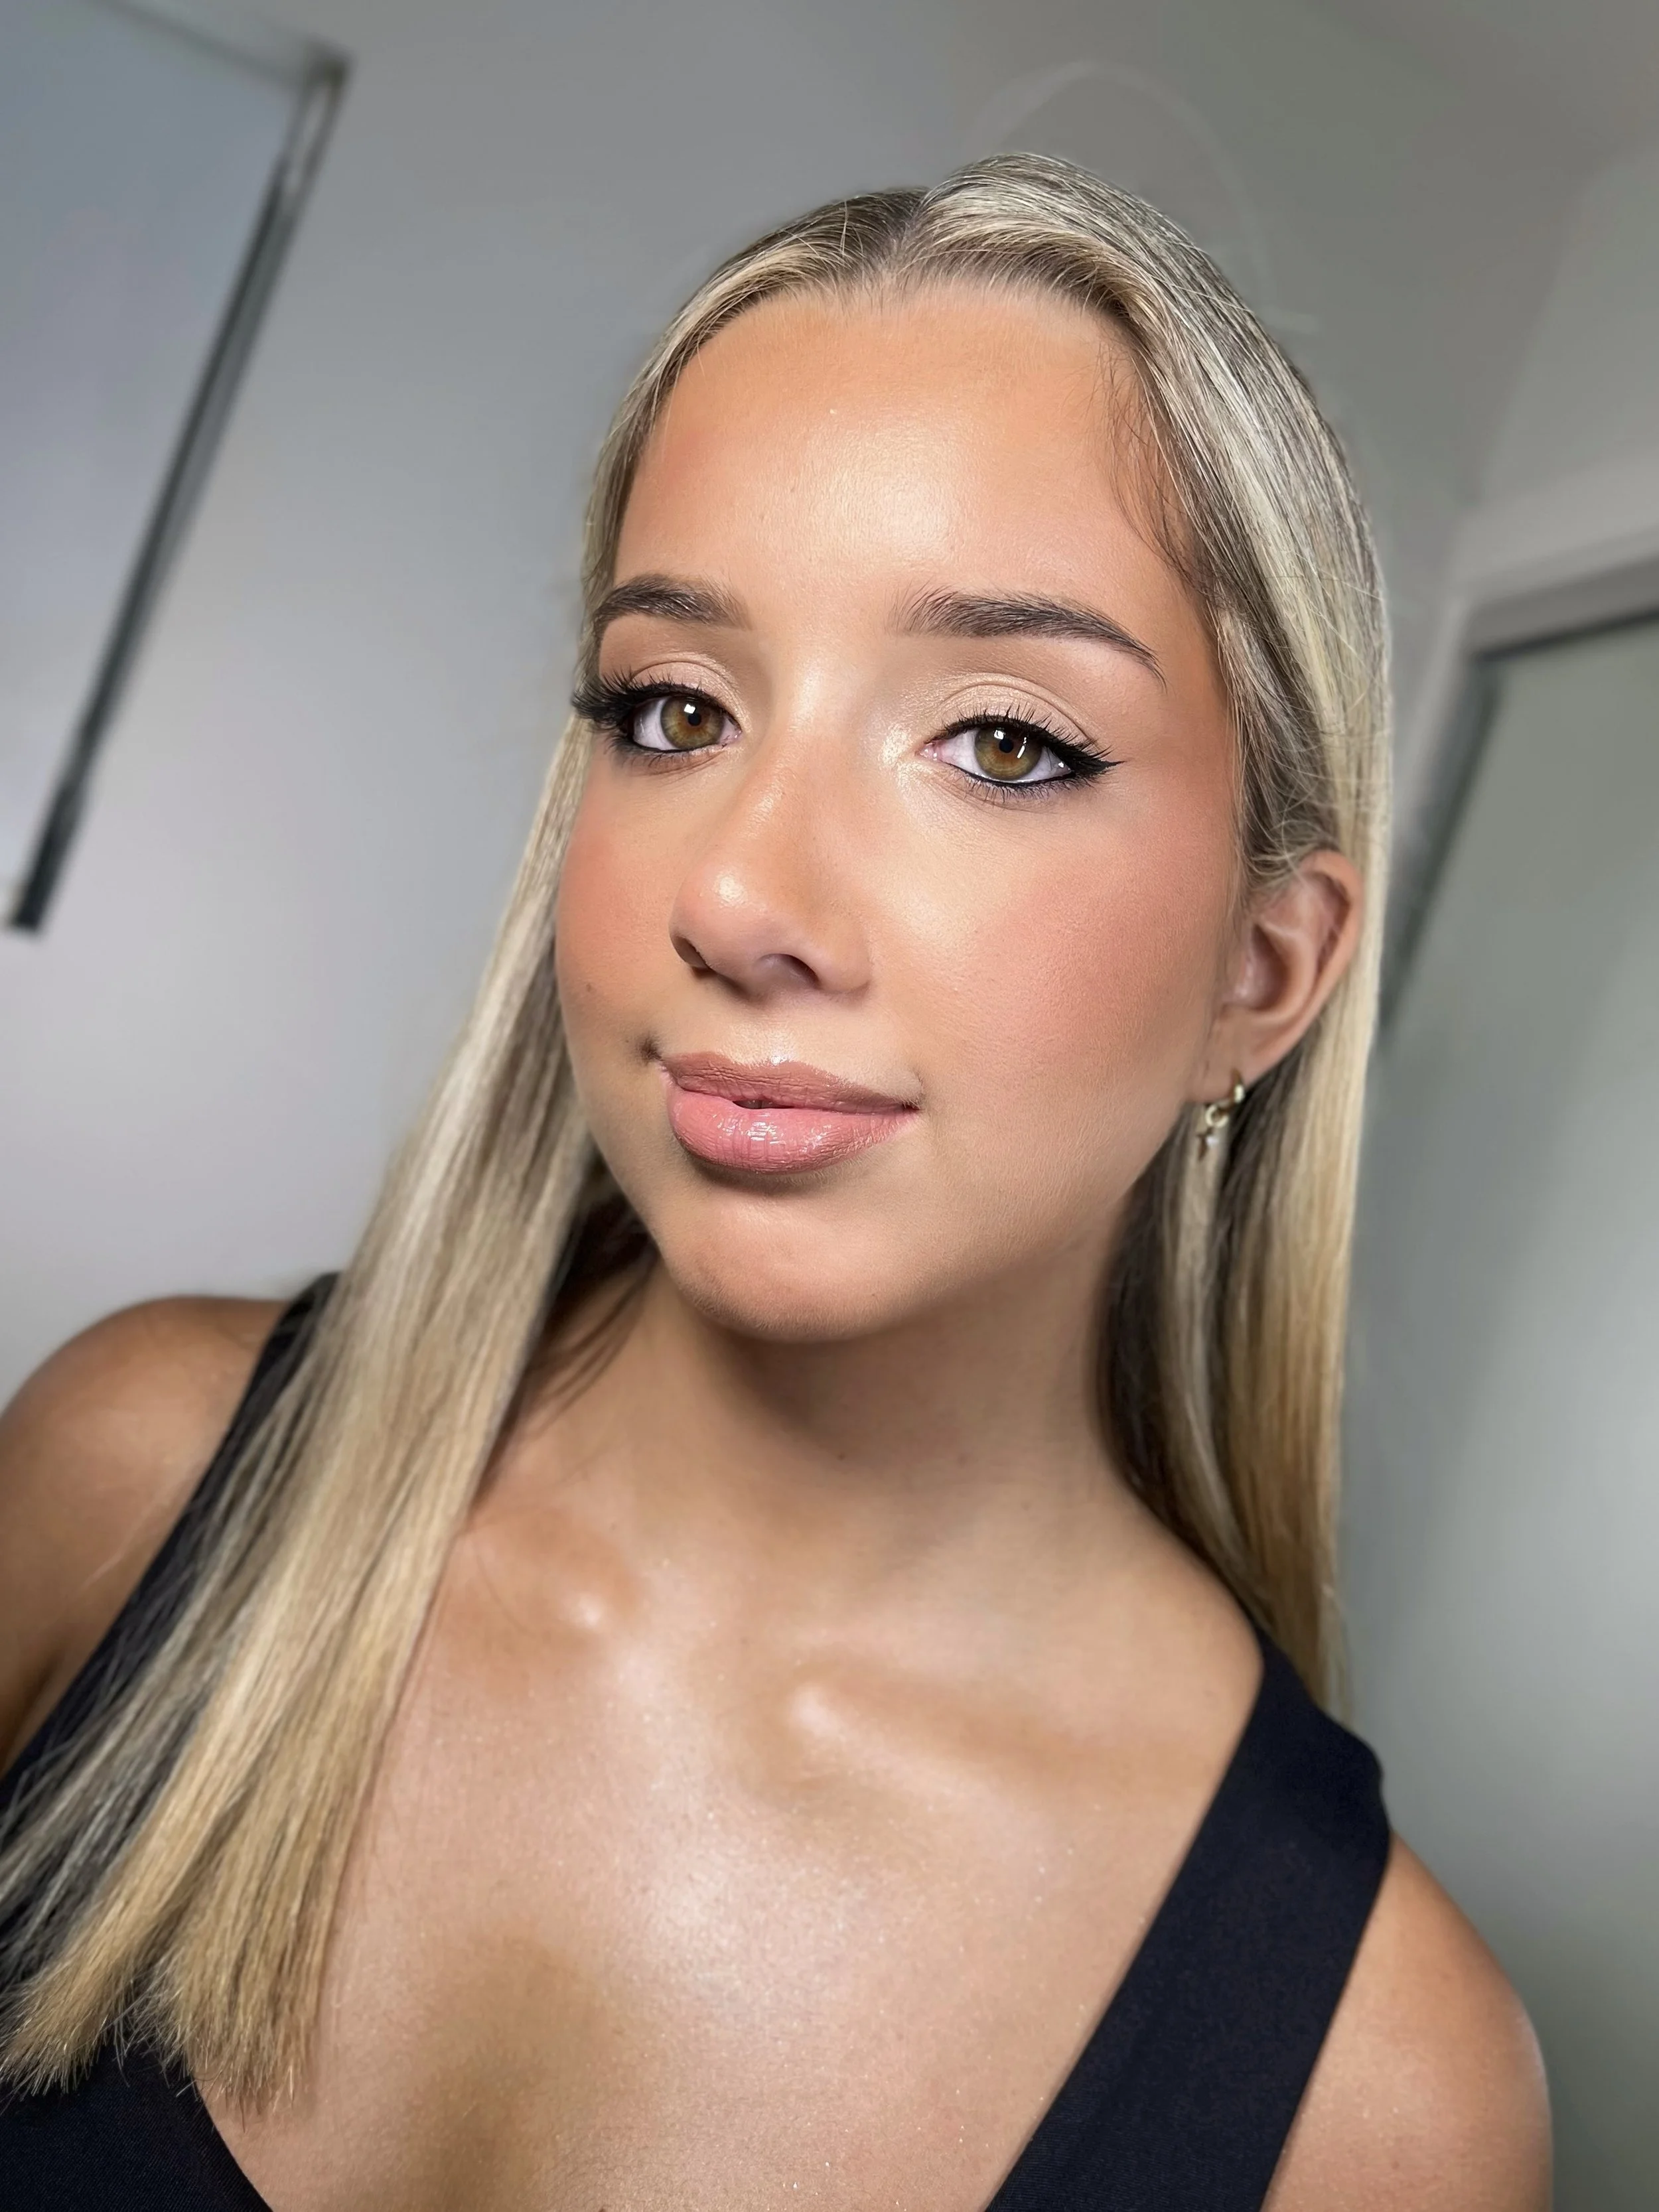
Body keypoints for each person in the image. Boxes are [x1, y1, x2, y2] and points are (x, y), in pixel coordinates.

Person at [0, 155, 1548, 2209]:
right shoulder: (133, 1478)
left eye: (999, 741)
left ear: (1260, 975)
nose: (741, 894)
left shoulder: (1380, 2089)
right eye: (675, 706)